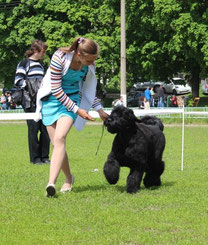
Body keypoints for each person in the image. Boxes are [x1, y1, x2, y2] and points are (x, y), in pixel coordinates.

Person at [34, 36, 109, 197]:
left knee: (60, 138)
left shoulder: (89, 64)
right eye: (90, 60)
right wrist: (78, 110)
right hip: (52, 99)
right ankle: (69, 178)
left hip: (73, 99)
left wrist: (99, 109)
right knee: (57, 145)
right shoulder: (59, 57)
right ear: (79, 55)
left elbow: (88, 89)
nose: (92, 63)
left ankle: (51, 184)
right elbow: (56, 89)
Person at [14, 40, 50, 165]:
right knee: (33, 129)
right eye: (42, 51)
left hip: (41, 99)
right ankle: (35, 158)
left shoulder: (40, 65)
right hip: (30, 101)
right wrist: (32, 86)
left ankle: (44, 156)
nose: (44, 54)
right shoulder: (24, 63)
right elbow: (18, 80)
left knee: (45, 128)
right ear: (35, 50)